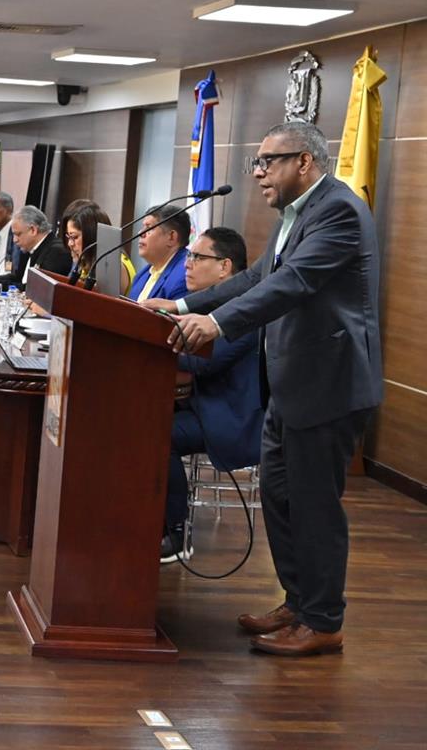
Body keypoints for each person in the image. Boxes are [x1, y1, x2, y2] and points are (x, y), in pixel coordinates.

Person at [143, 122, 383, 657]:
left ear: (305, 162)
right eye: (257, 162)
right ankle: (298, 602)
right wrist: (181, 305)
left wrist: (217, 324)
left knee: (314, 506)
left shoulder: (339, 212)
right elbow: (256, 279)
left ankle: (324, 620)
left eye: (267, 162)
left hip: (329, 387)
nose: (257, 173)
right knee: (279, 497)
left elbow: (293, 283)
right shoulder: (294, 215)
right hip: (288, 386)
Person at [160, 227, 262, 563]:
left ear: (224, 267)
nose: (187, 264)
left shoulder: (242, 311)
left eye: (198, 257)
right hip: (200, 404)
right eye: (188, 256)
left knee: (159, 434)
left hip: (229, 417)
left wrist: (155, 347)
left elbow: (207, 363)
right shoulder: (210, 306)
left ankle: (176, 534)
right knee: (137, 419)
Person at [63, 199, 135, 295]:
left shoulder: (114, 265)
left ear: (92, 235)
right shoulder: (86, 261)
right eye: (68, 237)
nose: (70, 243)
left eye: (75, 237)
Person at [0, 205, 72, 290]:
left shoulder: (57, 252)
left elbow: (36, 289)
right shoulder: (28, 249)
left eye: (18, 234)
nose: (14, 240)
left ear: (33, 230)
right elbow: (18, 278)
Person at [128, 203, 191, 302]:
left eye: (149, 228)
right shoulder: (141, 275)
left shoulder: (186, 274)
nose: (140, 233)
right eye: (143, 227)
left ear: (171, 237)